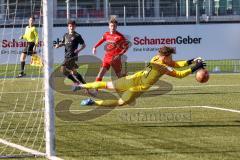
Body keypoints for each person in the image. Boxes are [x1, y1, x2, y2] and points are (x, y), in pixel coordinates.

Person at [73, 46, 206, 107]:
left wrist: (192, 60)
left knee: (106, 84)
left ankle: (80, 86)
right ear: (165, 57)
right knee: (120, 103)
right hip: (137, 87)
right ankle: (93, 102)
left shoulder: (156, 59)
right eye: (170, 56)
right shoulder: (162, 68)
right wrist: (196, 67)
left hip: (132, 79)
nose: (172, 58)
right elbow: (180, 74)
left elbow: (175, 64)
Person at [92, 17, 129, 81]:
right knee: (100, 74)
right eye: (111, 26)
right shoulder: (106, 34)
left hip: (115, 59)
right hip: (107, 58)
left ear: (116, 27)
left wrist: (119, 55)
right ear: (109, 26)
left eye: (114, 26)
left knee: (119, 76)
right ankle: (96, 90)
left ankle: (127, 79)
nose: (113, 27)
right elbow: (101, 40)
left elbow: (126, 47)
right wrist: (95, 47)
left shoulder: (120, 36)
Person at [54, 20, 86, 85]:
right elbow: (63, 43)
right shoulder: (65, 35)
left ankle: (76, 82)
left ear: (75, 27)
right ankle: (84, 84)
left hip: (73, 56)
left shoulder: (77, 35)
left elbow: (83, 45)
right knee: (74, 72)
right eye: (70, 26)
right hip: (66, 55)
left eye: (73, 26)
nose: (71, 28)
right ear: (68, 27)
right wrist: (58, 45)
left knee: (63, 70)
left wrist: (78, 50)